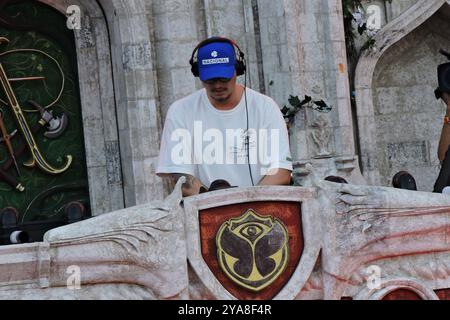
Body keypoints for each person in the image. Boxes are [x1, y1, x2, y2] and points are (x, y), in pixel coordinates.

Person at [156, 37, 293, 196]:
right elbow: (181, 178)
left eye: (223, 78)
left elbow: (281, 172)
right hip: (205, 212)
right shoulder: (180, 111)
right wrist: (218, 206)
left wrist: (247, 202)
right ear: (198, 73)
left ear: (237, 70)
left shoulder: (265, 108)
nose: (218, 85)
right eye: (210, 80)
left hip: (259, 210)